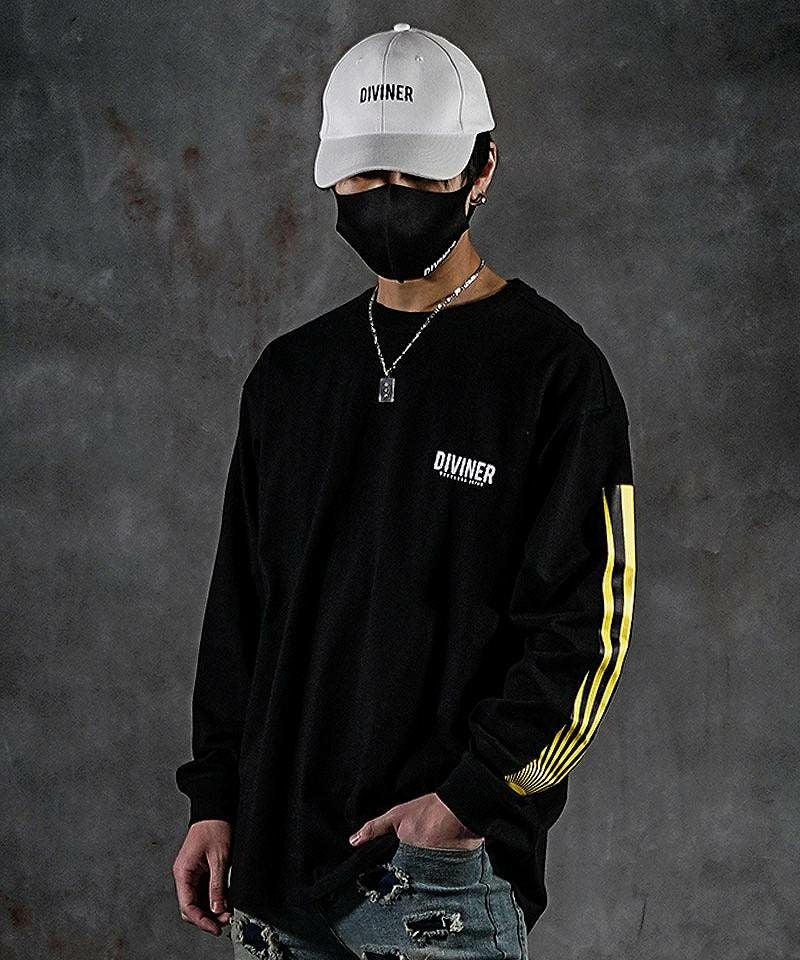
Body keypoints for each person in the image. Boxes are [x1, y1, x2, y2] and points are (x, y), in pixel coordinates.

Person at [172, 23, 637, 960]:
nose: (387, 202)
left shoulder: (553, 375)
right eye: (364, 177)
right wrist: (215, 797)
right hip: (269, 876)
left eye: (416, 178)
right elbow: (240, 614)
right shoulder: (289, 378)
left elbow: (589, 629)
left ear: (482, 168)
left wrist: (467, 801)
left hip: (435, 883)